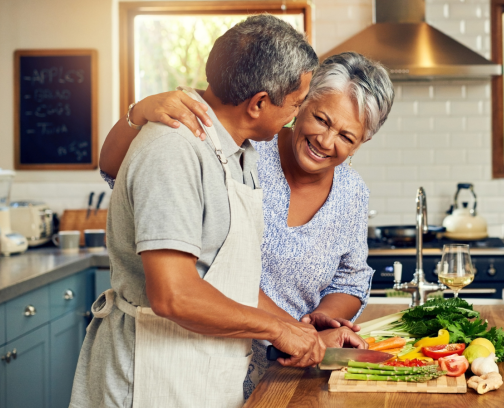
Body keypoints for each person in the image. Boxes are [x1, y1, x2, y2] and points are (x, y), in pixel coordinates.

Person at [70, 15, 365, 408]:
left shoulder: (238, 152)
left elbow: (227, 279)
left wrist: (303, 334)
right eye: (296, 106)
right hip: (148, 379)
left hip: (201, 373)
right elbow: (174, 295)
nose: (295, 119)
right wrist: (278, 331)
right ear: (259, 102)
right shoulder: (174, 149)